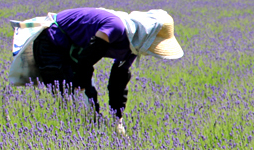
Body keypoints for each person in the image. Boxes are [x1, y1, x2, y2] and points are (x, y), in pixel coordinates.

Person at [32, 8, 184, 134]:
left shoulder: (132, 47)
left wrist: (117, 119)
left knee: (89, 103)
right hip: (52, 43)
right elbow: (87, 59)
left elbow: (118, 81)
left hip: (74, 50)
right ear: (148, 35)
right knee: (74, 103)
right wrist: (79, 88)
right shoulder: (116, 27)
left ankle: (92, 139)